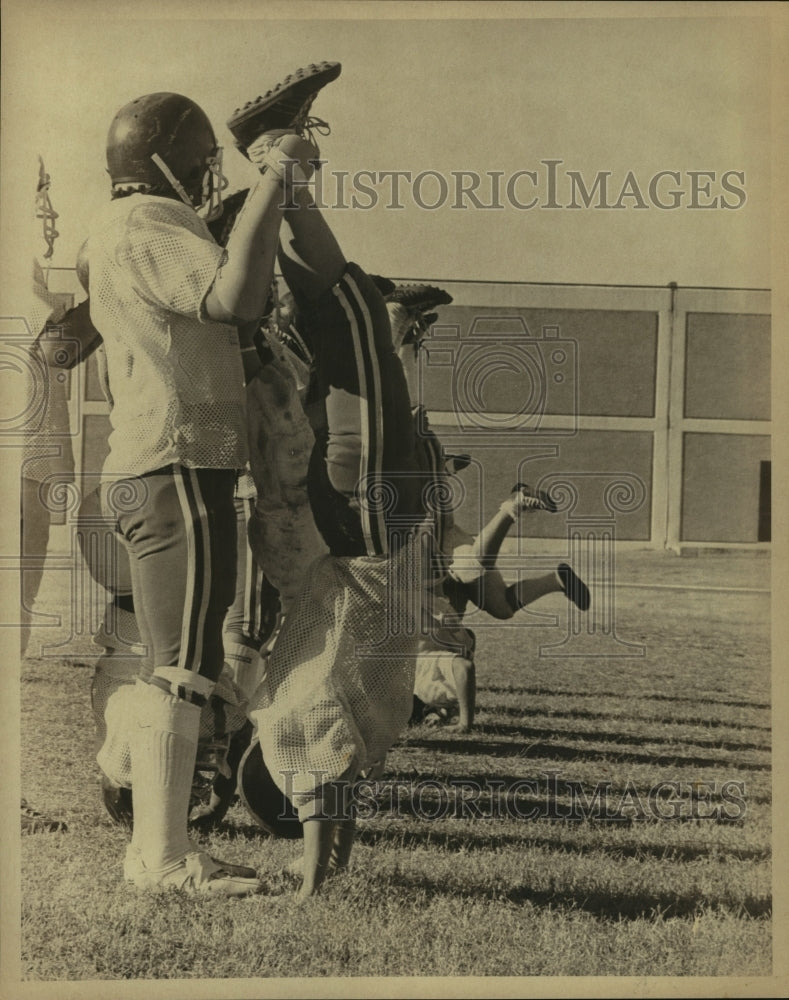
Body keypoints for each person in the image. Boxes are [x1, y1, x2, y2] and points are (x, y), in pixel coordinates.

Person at [82, 89, 319, 896]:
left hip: (166, 464)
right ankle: (163, 856)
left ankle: (131, 764)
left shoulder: (127, 225)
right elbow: (232, 298)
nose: (203, 172)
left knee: (182, 661)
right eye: (196, 158)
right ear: (161, 159)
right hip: (174, 463)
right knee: (183, 666)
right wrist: (273, 179)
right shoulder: (149, 222)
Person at [234, 112, 434, 896]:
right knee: (348, 313)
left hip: (366, 528)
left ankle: (278, 162)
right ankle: (278, 160)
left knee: (346, 313)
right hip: (373, 528)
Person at [387, 287, 591, 733]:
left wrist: (463, 720)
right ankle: (552, 578)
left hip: (426, 529)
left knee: (390, 413)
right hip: (434, 526)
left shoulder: (419, 680)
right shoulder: (414, 675)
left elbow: (460, 667)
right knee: (498, 605)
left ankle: (400, 326)